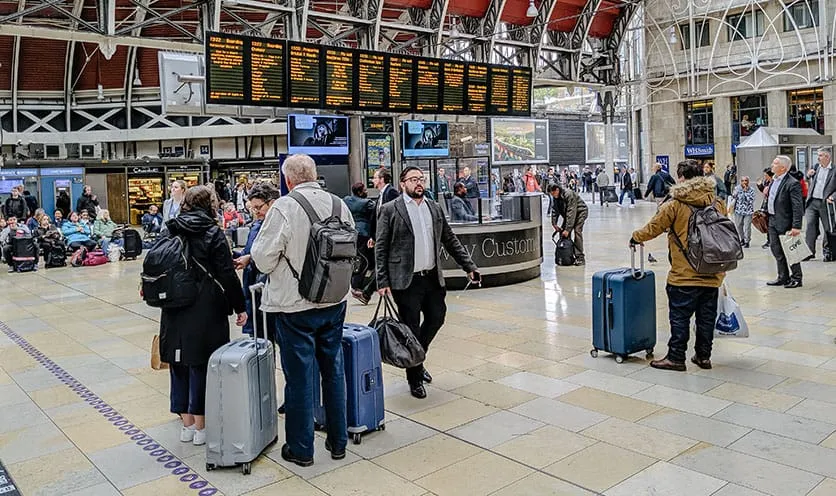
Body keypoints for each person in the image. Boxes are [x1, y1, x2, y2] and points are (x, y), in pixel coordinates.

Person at [250, 154, 353, 467]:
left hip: (296, 306)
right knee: (333, 372)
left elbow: (263, 258)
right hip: (335, 301)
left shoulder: (284, 206)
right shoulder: (339, 204)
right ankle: (338, 443)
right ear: (315, 174)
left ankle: (301, 449)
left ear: (288, 180)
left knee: (299, 378)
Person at [375, 166, 479, 399]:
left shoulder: (434, 207)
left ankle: (417, 359)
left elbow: (450, 239)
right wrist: (382, 281)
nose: (418, 183)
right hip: (405, 280)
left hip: (432, 278)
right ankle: (414, 378)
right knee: (411, 329)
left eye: (421, 179)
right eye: (413, 179)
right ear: (403, 184)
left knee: (436, 317)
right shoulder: (391, 210)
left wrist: (469, 266)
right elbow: (380, 247)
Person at [159, 185, 247, 447]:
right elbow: (226, 274)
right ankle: (202, 427)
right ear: (210, 204)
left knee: (179, 362)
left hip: (174, 305)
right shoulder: (212, 233)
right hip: (205, 306)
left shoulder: (170, 227)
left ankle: (186, 425)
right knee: (203, 364)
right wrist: (240, 306)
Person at [630, 159, 726, 371]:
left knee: (680, 317)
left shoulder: (674, 204)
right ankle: (703, 356)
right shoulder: (716, 202)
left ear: (681, 178)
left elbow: (654, 227)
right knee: (706, 318)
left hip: (685, 274)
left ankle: (676, 357)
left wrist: (636, 237)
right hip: (712, 272)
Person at [233, 182, 280, 336]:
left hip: (271, 294)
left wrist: (250, 258)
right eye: (253, 208)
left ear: (272, 203)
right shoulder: (257, 224)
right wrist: (239, 257)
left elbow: (273, 255)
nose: (255, 212)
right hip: (254, 290)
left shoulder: (280, 226)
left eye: (259, 207)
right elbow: (251, 251)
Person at [766, 155, 805, 288]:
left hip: (786, 221)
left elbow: (797, 206)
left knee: (791, 251)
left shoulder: (792, 183)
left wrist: (796, 226)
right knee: (776, 250)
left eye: (775, 163)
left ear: (783, 168)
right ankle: (783, 276)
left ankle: (797, 277)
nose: (772, 165)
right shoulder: (774, 180)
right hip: (772, 220)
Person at [343, 182, 375, 304]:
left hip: (351, 232)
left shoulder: (346, 200)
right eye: (365, 189)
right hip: (364, 233)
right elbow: (375, 216)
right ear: (360, 192)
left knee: (356, 258)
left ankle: (358, 284)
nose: (366, 191)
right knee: (364, 260)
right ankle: (358, 286)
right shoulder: (368, 203)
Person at [804, 148, 836, 260]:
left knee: (827, 228)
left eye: (821, 155)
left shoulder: (834, 170)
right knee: (809, 226)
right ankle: (809, 252)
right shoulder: (816, 167)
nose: (818, 158)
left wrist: (833, 196)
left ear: (828, 157)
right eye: (818, 155)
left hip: (825, 203)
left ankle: (827, 251)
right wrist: (808, 175)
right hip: (812, 201)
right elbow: (806, 178)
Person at [548, 184, 589, 265]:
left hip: (580, 212)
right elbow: (554, 210)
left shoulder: (568, 194)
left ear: (557, 190)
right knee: (563, 233)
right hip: (569, 214)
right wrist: (554, 223)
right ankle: (566, 256)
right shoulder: (556, 197)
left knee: (577, 231)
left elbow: (571, 212)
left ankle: (580, 257)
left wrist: (568, 229)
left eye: (553, 193)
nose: (552, 196)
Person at [731, 176, 756, 248]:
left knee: (747, 227)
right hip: (738, 210)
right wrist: (735, 193)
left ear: (748, 182)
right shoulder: (737, 188)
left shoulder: (751, 190)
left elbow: (751, 200)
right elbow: (734, 196)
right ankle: (742, 239)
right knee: (738, 226)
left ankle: (747, 241)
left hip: (748, 211)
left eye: (746, 180)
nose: (744, 182)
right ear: (740, 181)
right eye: (743, 181)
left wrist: (745, 192)